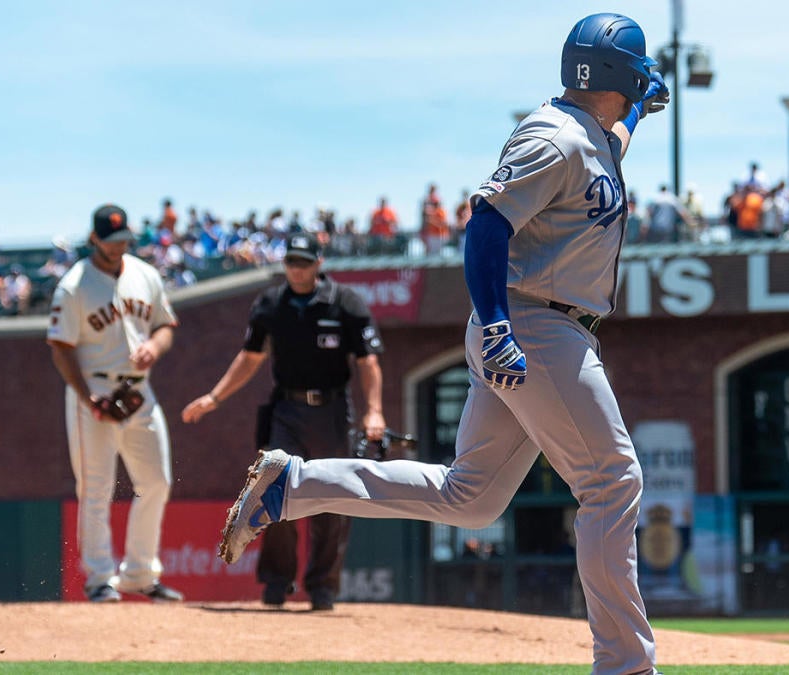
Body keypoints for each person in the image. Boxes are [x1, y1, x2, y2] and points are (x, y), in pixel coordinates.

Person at [217, 13, 667, 674]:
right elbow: (486, 224)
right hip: (533, 323)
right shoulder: (556, 137)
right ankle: (626, 664)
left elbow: (604, 151)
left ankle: (293, 483)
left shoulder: (592, 135)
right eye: (637, 76)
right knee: (612, 479)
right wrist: (495, 324)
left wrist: (639, 117)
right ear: (617, 75)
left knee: (471, 498)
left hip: (539, 323)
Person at [182, 233, 387, 611]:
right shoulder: (271, 304)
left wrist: (374, 409)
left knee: (332, 496)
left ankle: (323, 588)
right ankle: (277, 583)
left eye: (304, 262)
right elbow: (250, 357)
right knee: (275, 488)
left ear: (318, 263)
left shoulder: (346, 303)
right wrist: (214, 397)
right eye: (291, 261)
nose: (297, 268)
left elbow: (367, 362)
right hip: (286, 411)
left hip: (331, 412)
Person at [46, 204, 184, 604]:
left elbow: (164, 325)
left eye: (124, 240)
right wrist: (87, 397)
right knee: (96, 488)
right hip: (95, 392)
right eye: (110, 241)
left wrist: (154, 347)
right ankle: (100, 579)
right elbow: (60, 348)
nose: (118, 246)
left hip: (139, 391)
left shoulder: (146, 274)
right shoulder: (73, 286)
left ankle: (140, 575)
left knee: (157, 482)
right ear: (94, 239)